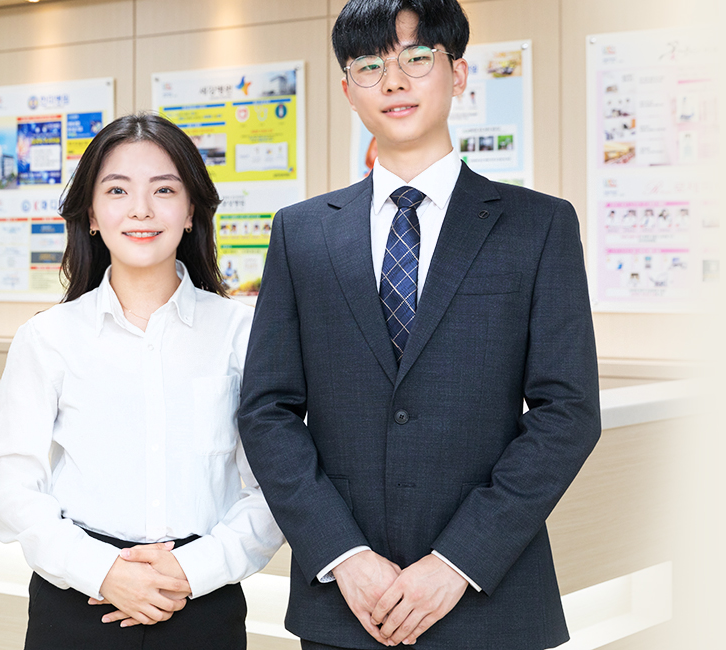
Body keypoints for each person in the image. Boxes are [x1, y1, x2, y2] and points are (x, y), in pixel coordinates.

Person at [237, 1, 602, 649]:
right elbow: (267, 410)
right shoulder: (301, 232)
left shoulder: (538, 225)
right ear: (348, 90)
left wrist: (458, 561)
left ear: (457, 74)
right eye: (369, 66)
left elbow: (566, 412)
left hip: (489, 601)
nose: (394, 82)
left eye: (416, 58)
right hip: (347, 603)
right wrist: (342, 554)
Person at [0, 113, 285, 650]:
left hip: (202, 603)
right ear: (92, 216)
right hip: (77, 604)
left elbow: (275, 486)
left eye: (164, 190)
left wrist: (192, 569)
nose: (141, 209)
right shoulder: (47, 337)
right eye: (117, 190)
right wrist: (102, 571)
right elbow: (8, 488)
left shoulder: (242, 332)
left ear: (191, 212)